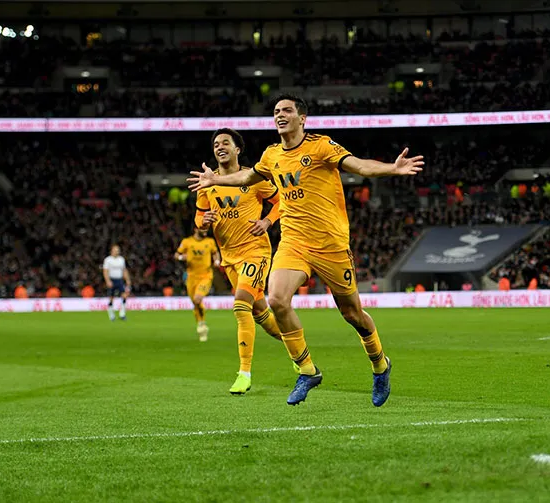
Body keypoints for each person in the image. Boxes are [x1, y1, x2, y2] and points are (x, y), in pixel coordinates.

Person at [188, 94, 423, 406]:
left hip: (331, 245)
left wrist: (392, 168)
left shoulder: (321, 146)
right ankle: (307, 369)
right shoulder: (271, 154)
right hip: (293, 242)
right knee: (276, 299)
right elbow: (248, 175)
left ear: (302, 118)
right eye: (276, 111)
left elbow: (358, 166)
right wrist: (215, 179)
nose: (280, 115)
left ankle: (380, 363)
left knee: (352, 314)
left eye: (287, 110)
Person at [196, 128, 290, 394]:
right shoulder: (208, 183)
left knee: (240, 307)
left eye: (225, 142)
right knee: (260, 314)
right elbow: (199, 217)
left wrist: (267, 221)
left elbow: (281, 201)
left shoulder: (254, 178)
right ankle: (298, 351)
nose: (220, 146)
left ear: (237, 149)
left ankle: (244, 373)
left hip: (255, 251)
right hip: (229, 258)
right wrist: (203, 222)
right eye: (216, 144)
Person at [176, 229, 220, 341]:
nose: (205, 230)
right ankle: (201, 324)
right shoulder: (187, 242)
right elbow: (177, 255)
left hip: (206, 276)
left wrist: (217, 261)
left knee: (197, 298)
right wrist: (182, 257)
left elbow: (215, 253)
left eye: (206, 228)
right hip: (191, 277)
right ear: (195, 229)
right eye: (203, 227)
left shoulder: (210, 242)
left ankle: (202, 324)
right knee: (196, 303)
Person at [102, 244, 132, 321]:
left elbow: (124, 270)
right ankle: (111, 314)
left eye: (118, 250)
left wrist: (127, 280)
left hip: (119, 280)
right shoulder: (108, 260)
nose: (117, 252)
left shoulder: (121, 259)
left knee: (124, 295)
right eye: (115, 250)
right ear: (111, 251)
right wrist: (108, 281)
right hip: (112, 279)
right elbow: (105, 271)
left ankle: (122, 314)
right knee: (111, 298)